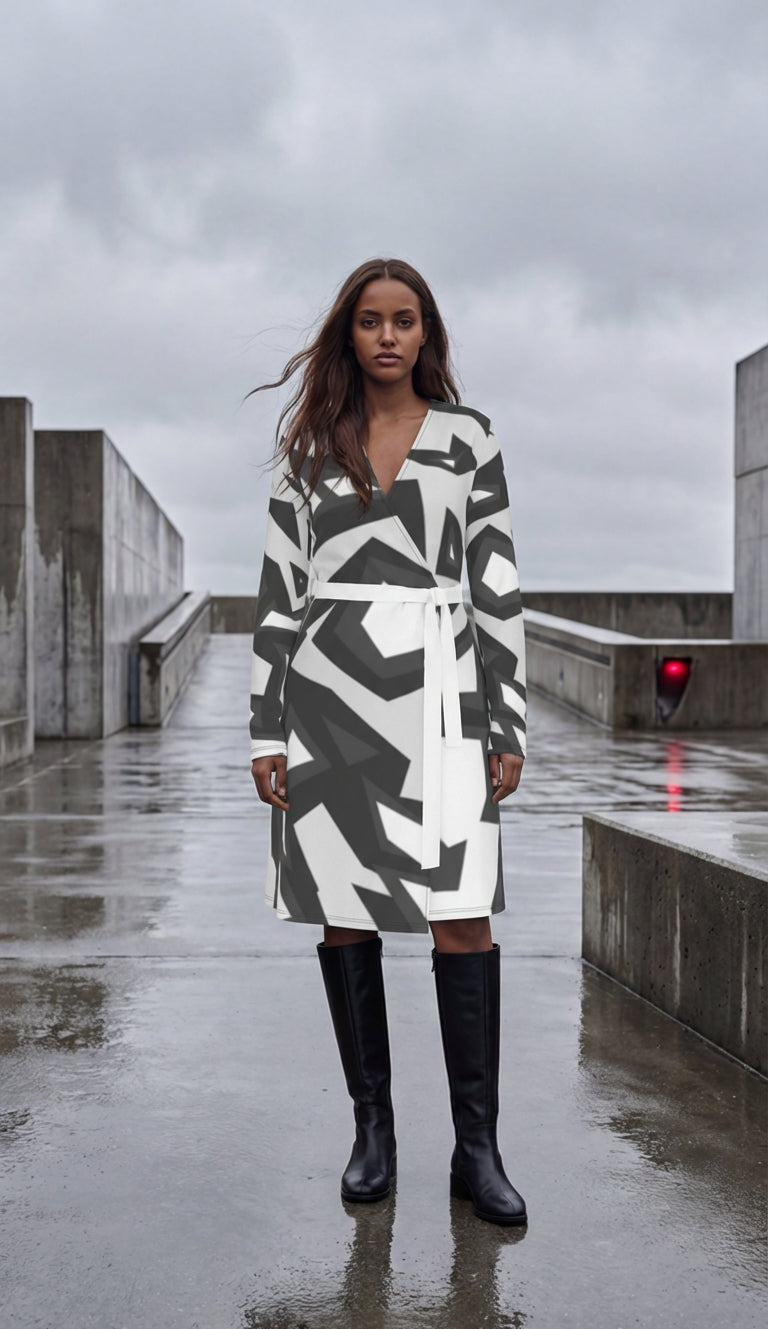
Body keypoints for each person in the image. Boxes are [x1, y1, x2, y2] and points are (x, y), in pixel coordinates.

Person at [249, 259, 527, 1226]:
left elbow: (495, 584)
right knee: (347, 912)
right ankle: (374, 1132)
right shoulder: (312, 449)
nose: (388, 338)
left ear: (427, 333)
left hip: (446, 692)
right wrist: (264, 727)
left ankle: (477, 1148)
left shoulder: (468, 439)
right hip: (331, 696)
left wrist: (507, 719)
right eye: (371, 321)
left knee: (463, 914)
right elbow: (280, 593)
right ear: (350, 334)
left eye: (405, 321)